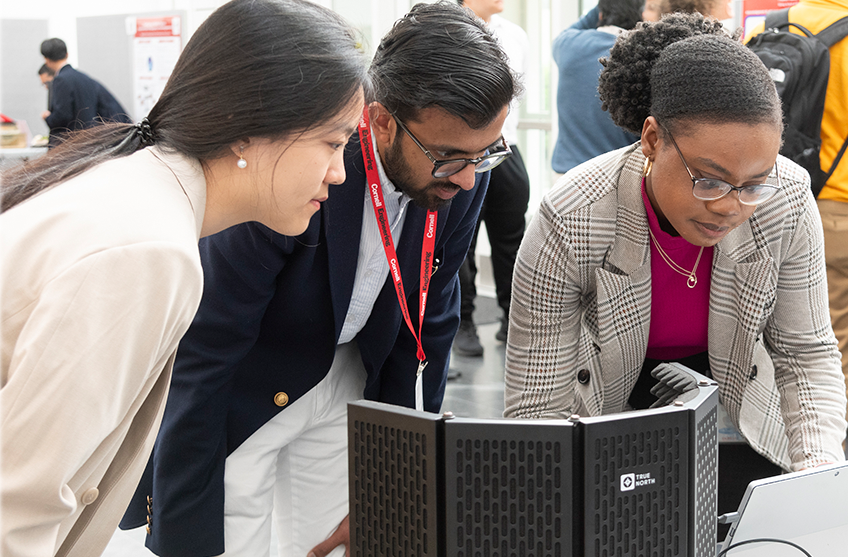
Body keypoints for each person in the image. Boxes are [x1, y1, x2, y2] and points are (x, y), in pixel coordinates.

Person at [121, 3, 519, 557]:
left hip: (352, 377)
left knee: (334, 542)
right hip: (248, 384)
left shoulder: (463, 172)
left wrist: (401, 483)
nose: (470, 177)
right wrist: (184, 526)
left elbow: (428, 325)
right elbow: (207, 349)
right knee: (229, 535)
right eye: (450, 158)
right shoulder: (300, 165)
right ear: (379, 120)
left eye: (486, 154)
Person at [1, 0, 368, 555]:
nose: (340, 173)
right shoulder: (150, 251)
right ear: (250, 128)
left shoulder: (133, 187)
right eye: (333, 142)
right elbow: (18, 511)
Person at [504, 12, 847, 530]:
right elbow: (537, 407)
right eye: (708, 181)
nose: (730, 207)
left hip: (738, 398)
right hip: (609, 396)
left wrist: (820, 470)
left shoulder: (789, 198)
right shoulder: (573, 215)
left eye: (754, 183)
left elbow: (805, 353)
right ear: (651, 140)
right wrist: (553, 509)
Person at [746, 0, 848, 412]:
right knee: (829, 357)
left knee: (756, 348)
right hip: (841, 209)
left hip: (760, 201)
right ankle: (819, 466)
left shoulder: (762, 32)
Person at [454, 0, 532, 356]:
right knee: (460, 245)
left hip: (506, 150)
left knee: (512, 244)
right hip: (463, 150)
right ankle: (462, 324)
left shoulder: (515, 35)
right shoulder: (450, 27)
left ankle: (512, 320)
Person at [551, 1, 641, 175]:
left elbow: (583, 22)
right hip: (615, 174)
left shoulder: (566, 43)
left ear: (600, 15)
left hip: (566, 172)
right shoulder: (637, 54)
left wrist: (605, 5)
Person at [40, 37, 131, 147]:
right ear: (67, 54)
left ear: (46, 60)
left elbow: (62, 117)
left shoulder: (61, 80)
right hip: (89, 141)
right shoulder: (84, 78)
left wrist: (48, 117)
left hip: (72, 146)